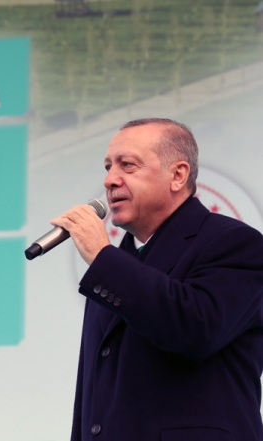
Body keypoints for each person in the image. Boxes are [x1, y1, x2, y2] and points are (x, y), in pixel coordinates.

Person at [50, 118, 263, 441]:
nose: (109, 180)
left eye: (127, 165)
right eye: (108, 167)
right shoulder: (114, 264)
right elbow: (91, 394)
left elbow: (195, 330)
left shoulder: (235, 243)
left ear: (177, 175)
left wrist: (104, 258)